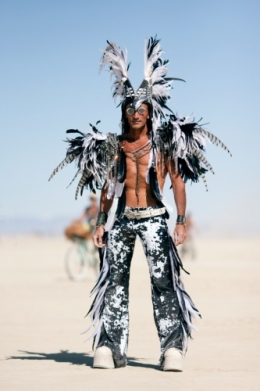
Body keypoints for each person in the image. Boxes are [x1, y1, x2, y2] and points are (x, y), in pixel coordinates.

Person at [49, 37, 231, 371]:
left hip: (154, 219)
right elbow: (107, 186)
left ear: (150, 112)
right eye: (131, 109)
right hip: (122, 219)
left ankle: (171, 350)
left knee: (164, 283)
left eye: (142, 109)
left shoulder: (163, 145)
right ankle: (109, 348)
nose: (136, 113)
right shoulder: (114, 147)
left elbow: (177, 183)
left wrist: (180, 221)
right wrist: (101, 221)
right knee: (113, 281)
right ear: (124, 112)